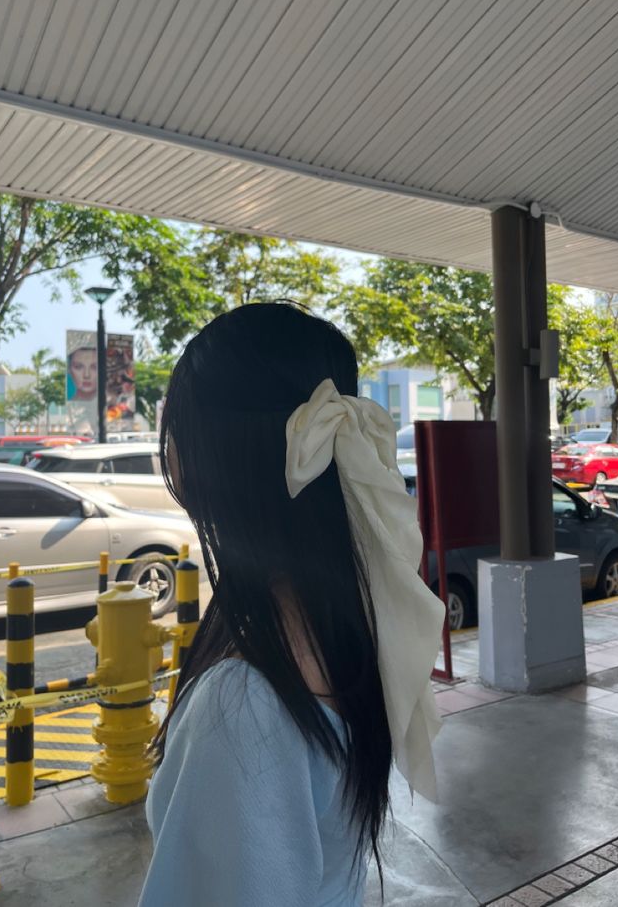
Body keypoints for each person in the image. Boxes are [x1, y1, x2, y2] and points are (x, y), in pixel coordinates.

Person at [138, 302, 445, 906]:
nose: (170, 448)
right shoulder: (355, 617)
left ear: (213, 457)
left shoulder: (243, 705)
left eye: (177, 428)